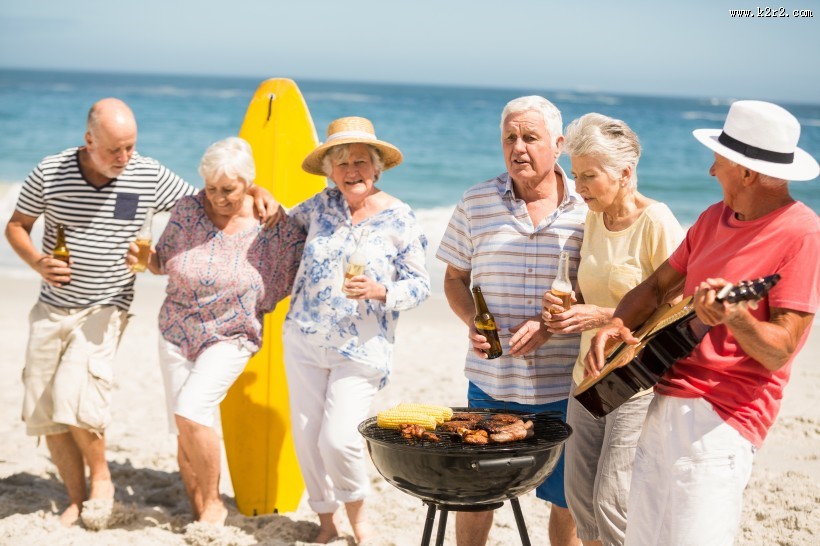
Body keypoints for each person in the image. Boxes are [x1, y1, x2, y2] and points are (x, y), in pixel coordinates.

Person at [4, 98, 280, 528]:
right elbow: (17, 225)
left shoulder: (145, 174)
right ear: (89, 140)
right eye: (114, 149)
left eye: (130, 147)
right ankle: (76, 499)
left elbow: (210, 193)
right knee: (45, 409)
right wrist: (37, 262)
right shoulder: (50, 172)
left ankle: (102, 483)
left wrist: (259, 190)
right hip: (52, 305)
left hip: (107, 302)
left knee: (76, 394)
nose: (124, 158)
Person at [586, 100, 819, 545]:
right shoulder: (713, 218)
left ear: (747, 172)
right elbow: (656, 289)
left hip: (724, 420)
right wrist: (616, 325)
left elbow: (781, 348)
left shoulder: (803, 233)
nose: (713, 172)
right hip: (663, 402)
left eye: (720, 162)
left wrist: (737, 319)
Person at [125, 136, 305, 525]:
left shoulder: (272, 222)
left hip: (232, 334)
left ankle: (213, 505)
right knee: (183, 423)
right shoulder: (188, 210)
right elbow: (162, 261)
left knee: (191, 411)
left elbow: (313, 260)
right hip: (176, 328)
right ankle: (198, 509)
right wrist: (146, 259)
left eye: (229, 189)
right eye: (211, 188)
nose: (218, 198)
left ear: (248, 184)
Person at [436, 95, 587, 546]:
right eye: (510, 138)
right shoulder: (477, 201)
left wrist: (551, 326)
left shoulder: (587, 209)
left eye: (530, 137)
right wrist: (470, 320)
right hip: (490, 383)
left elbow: (600, 291)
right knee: (476, 495)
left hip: (565, 386)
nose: (518, 147)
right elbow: (454, 279)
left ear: (558, 144)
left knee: (567, 503)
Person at [283, 116, 430, 544]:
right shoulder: (319, 206)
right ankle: (326, 522)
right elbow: (280, 232)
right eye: (342, 162)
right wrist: (254, 196)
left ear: (377, 167)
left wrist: (381, 290)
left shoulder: (399, 216)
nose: (351, 171)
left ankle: (360, 522)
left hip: (361, 348)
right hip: (304, 337)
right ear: (330, 169)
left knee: (338, 438)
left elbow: (420, 285)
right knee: (308, 439)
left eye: (361, 162)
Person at [541, 113, 684, 546]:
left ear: (624, 173)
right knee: (580, 497)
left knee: (611, 499)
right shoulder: (593, 218)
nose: (579, 187)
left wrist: (602, 317)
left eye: (589, 177)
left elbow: (677, 306)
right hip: (587, 375)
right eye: (577, 175)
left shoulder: (656, 221)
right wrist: (566, 310)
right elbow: (593, 293)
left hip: (635, 380)